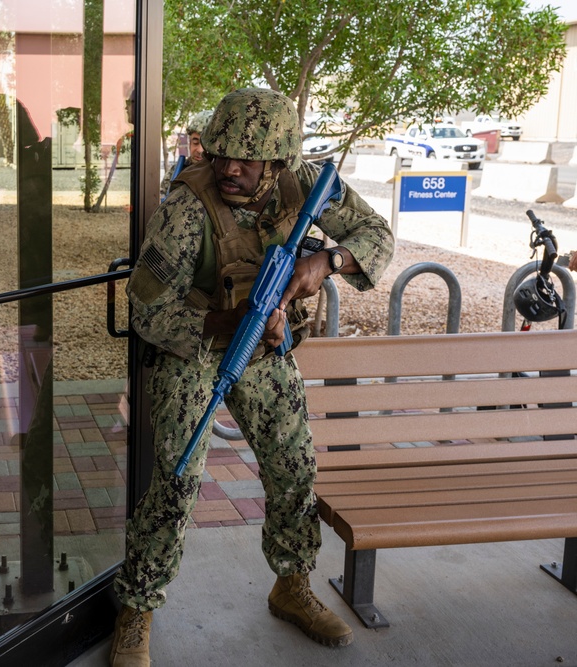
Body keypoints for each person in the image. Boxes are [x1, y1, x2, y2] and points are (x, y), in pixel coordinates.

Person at [110, 87, 394, 665]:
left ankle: (291, 585)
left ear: (279, 162)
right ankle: (137, 608)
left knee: (294, 465)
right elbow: (147, 312)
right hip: (194, 346)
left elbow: (379, 236)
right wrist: (231, 318)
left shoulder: (308, 185)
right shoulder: (187, 207)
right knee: (178, 478)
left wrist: (326, 262)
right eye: (219, 154)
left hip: (265, 346)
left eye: (244, 158)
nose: (227, 168)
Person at [160, 109, 214, 196]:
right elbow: (161, 198)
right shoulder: (176, 171)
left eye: (205, 144)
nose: (200, 150)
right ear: (189, 143)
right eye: (195, 142)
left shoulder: (222, 174)